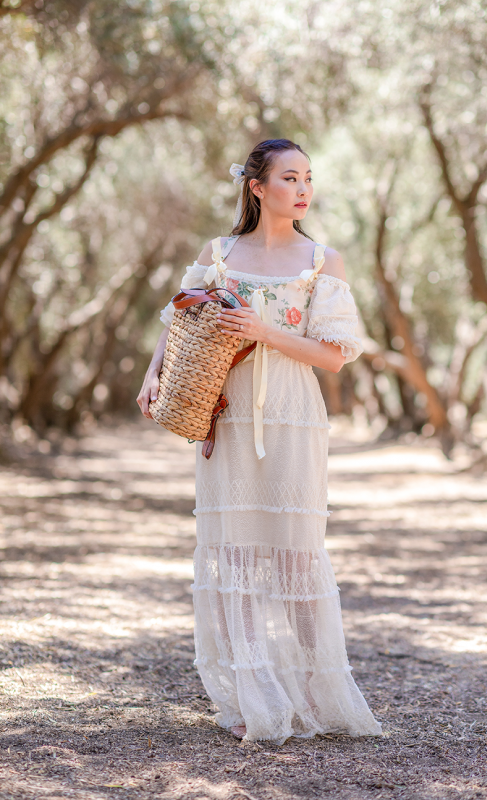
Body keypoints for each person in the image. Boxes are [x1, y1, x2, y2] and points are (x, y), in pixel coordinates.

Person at [137, 138, 381, 744]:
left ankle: (314, 695)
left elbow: (332, 356)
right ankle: (252, 697)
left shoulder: (323, 262)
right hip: (229, 413)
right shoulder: (218, 254)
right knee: (234, 552)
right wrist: (153, 373)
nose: (302, 189)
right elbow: (181, 321)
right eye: (289, 177)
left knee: (298, 551)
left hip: (295, 417)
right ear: (257, 187)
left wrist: (263, 330)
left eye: (308, 178)